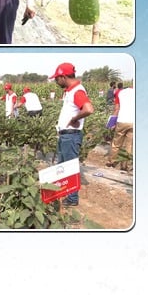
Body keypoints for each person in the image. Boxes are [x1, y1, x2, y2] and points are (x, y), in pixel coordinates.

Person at [51, 62, 94, 207]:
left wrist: (75, 119)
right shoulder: (71, 90)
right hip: (66, 135)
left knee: (69, 168)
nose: (56, 82)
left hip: (71, 136)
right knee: (63, 167)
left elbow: (88, 109)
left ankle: (72, 199)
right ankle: (64, 195)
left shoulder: (77, 91)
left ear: (63, 77)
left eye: (57, 79)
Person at [107, 83, 134, 173]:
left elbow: (117, 108)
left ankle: (112, 162)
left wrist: (112, 123)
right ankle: (125, 166)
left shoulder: (121, 93)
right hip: (133, 122)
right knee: (129, 145)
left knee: (116, 143)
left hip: (122, 120)